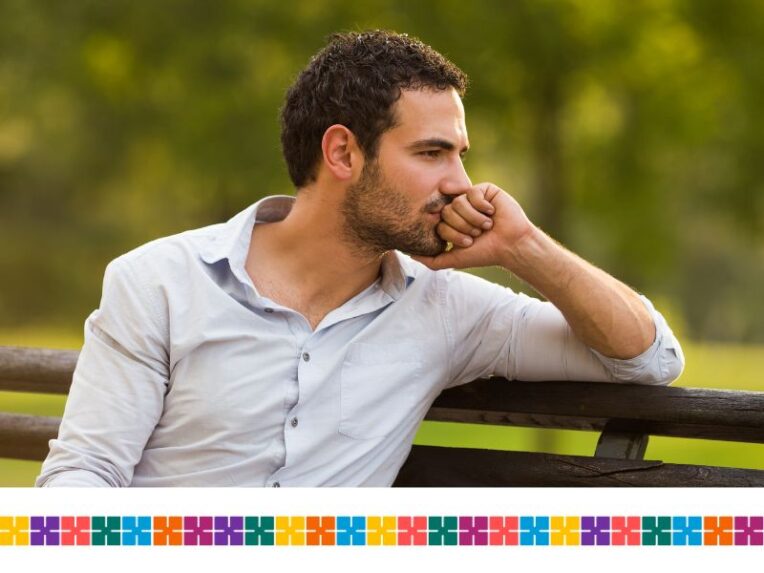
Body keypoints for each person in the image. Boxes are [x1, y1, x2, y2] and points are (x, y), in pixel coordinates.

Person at [36, 30, 684, 487]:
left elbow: (648, 356)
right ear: (343, 154)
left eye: (461, 155)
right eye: (432, 154)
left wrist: (523, 247)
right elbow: (86, 473)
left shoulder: (448, 309)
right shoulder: (159, 283)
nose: (461, 182)